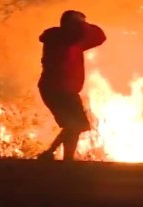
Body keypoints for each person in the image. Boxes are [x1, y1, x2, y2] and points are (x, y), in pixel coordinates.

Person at [37, 10, 106, 161]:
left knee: (74, 125)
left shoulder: (66, 39)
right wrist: (83, 25)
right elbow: (99, 35)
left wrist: (80, 24)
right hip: (59, 89)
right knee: (76, 124)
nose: (83, 26)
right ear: (71, 24)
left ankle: (65, 158)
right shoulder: (65, 38)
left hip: (60, 89)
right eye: (79, 23)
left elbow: (100, 37)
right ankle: (50, 153)